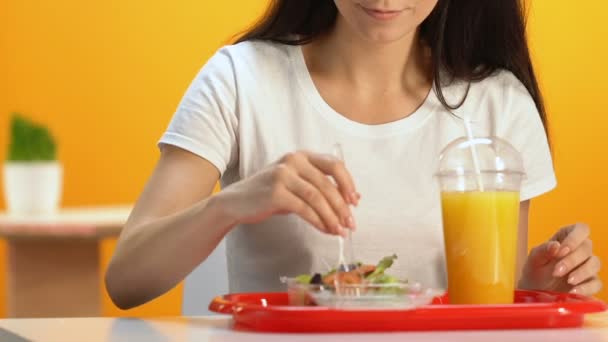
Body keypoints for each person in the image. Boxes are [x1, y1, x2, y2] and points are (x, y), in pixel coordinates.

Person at [105, 0, 601, 309]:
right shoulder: (240, 80)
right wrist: (231, 204)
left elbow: (487, 310)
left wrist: (538, 286)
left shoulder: (497, 102)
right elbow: (126, 281)